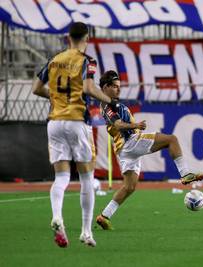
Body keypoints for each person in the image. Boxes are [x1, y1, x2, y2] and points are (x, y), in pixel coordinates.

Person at [32, 22, 117, 247]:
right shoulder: (87, 61)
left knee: (61, 177)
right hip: (78, 121)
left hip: (55, 122)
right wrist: (110, 101)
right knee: (87, 178)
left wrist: (56, 99)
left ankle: (57, 216)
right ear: (86, 38)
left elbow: (36, 88)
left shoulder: (54, 60)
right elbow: (89, 88)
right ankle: (86, 232)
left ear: (68, 38)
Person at [95, 70, 203, 230]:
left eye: (119, 86)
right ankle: (185, 175)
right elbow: (117, 124)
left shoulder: (112, 103)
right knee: (171, 140)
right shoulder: (107, 105)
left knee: (129, 187)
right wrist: (136, 125)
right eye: (114, 86)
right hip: (130, 141)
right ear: (105, 87)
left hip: (123, 151)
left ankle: (104, 216)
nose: (118, 89)